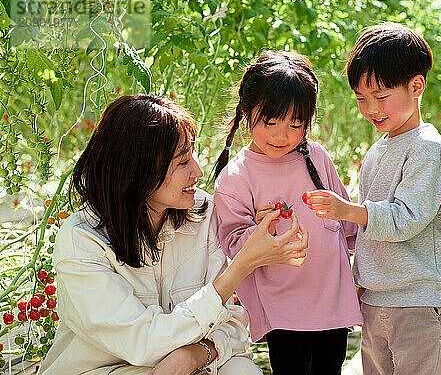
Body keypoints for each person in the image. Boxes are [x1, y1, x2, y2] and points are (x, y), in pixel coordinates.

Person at [38, 94, 308, 375]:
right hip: (104, 369)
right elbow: (143, 342)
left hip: (195, 364)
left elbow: (234, 323)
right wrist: (242, 264)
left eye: (193, 154)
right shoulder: (83, 240)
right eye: (182, 163)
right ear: (136, 170)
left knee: (242, 371)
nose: (198, 171)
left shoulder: (205, 215)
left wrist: (197, 354)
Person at [304, 22, 441, 374]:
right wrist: (360, 279)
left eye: (381, 96)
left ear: (416, 86)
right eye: (361, 99)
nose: (371, 109)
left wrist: (348, 210)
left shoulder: (426, 150)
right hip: (378, 299)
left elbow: (404, 218)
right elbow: (370, 236)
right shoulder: (380, 150)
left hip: (419, 301)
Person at [211, 50, 362, 375]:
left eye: (296, 124)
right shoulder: (237, 176)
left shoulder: (315, 156)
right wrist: (261, 229)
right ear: (247, 111)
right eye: (271, 122)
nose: (282, 135)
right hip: (281, 305)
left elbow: (347, 221)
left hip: (330, 299)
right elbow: (233, 245)